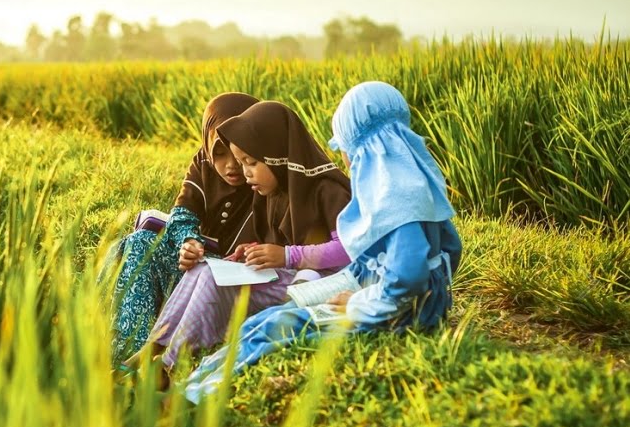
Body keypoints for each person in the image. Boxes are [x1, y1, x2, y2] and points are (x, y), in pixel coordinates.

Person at [182, 81, 463, 404]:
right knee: (263, 321)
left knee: (274, 329)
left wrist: (358, 303)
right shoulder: (413, 187)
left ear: (365, 147)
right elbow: (449, 251)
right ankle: (193, 382)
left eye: (346, 147)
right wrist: (436, 295)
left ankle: (192, 397)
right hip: (401, 304)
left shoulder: (397, 201)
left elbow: (408, 278)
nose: (344, 157)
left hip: (393, 315)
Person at [125, 100, 352, 378]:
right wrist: (255, 250)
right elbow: (281, 244)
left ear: (276, 155)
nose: (245, 173)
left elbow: (350, 249)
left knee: (214, 278)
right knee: (203, 268)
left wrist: (288, 256)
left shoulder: (327, 190)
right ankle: (153, 346)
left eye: (251, 163)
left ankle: (169, 365)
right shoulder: (275, 192)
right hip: (289, 277)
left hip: (318, 288)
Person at [107, 92, 261, 365]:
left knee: (204, 272)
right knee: (142, 241)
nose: (231, 165)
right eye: (220, 153)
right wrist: (189, 241)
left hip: (234, 284)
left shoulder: (264, 170)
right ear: (207, 143)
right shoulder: (203, 164)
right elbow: (183, 213)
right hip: (197, 267)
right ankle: (129, 348)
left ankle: (160, 356)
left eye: (239, 153)